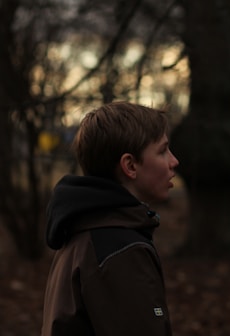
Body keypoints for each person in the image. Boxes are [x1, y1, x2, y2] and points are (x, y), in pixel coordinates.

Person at [41, 101, 179, 336]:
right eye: (162, 150)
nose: (174, 161)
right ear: (130, 165)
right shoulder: (119, 248)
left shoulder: (85, 230)